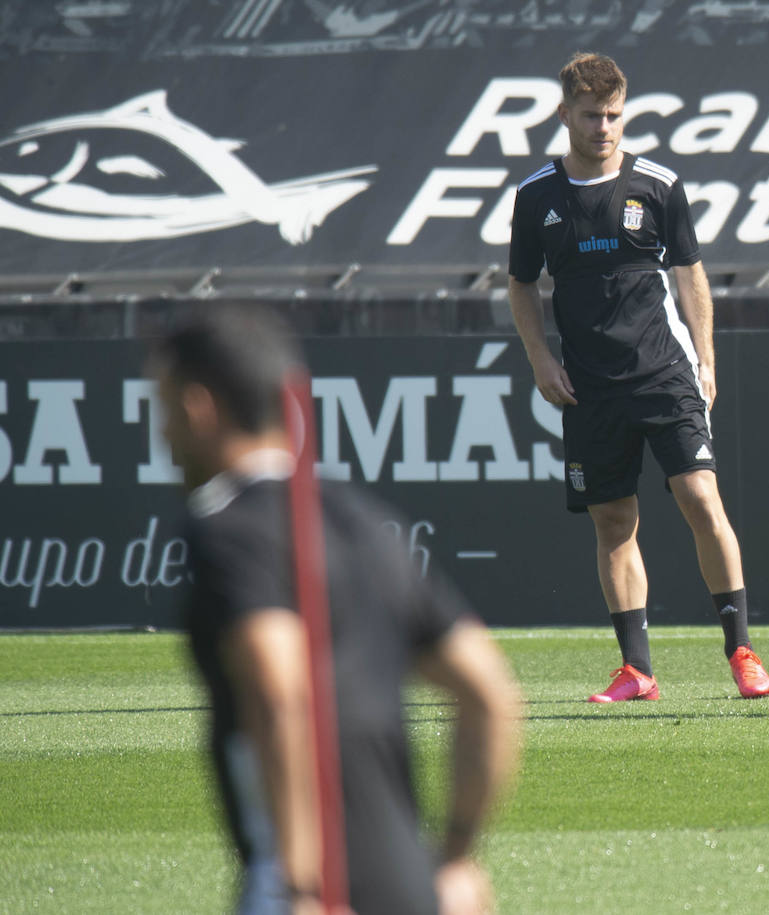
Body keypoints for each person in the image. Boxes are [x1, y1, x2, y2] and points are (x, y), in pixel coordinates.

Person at [154, 307, 522, 914]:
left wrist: (301, 885)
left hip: (310, 892)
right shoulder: (363, 523)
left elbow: (279, 689)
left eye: (162, 409)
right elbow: (489, 693)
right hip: (412, 890)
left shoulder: (225, 531)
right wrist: (456, 858)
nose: (163, 433)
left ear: (199, 409)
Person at [507, 52, 769, 702]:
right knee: (613, 521)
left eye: (615, 115)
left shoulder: (656, 184)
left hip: (664, 371)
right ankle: (638, 669)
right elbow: (520, 285)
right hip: (589, 386)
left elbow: (690, 274)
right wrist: (540, 356)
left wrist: (705, 357)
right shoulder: (536, 196)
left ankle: (742, 649)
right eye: (592, 115)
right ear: (564, 113)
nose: (605, 127)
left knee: (701, 501)